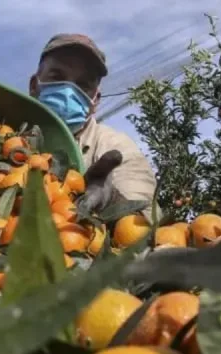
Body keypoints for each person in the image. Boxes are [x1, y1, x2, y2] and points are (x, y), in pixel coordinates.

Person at [30, 34, 160, 220]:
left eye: (83, 85)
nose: (68, 91)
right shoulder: (4, 132)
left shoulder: (115, 147)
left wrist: (113, 202)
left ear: (95, 101)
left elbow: (143, 224)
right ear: (34, 86)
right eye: (57, 76)